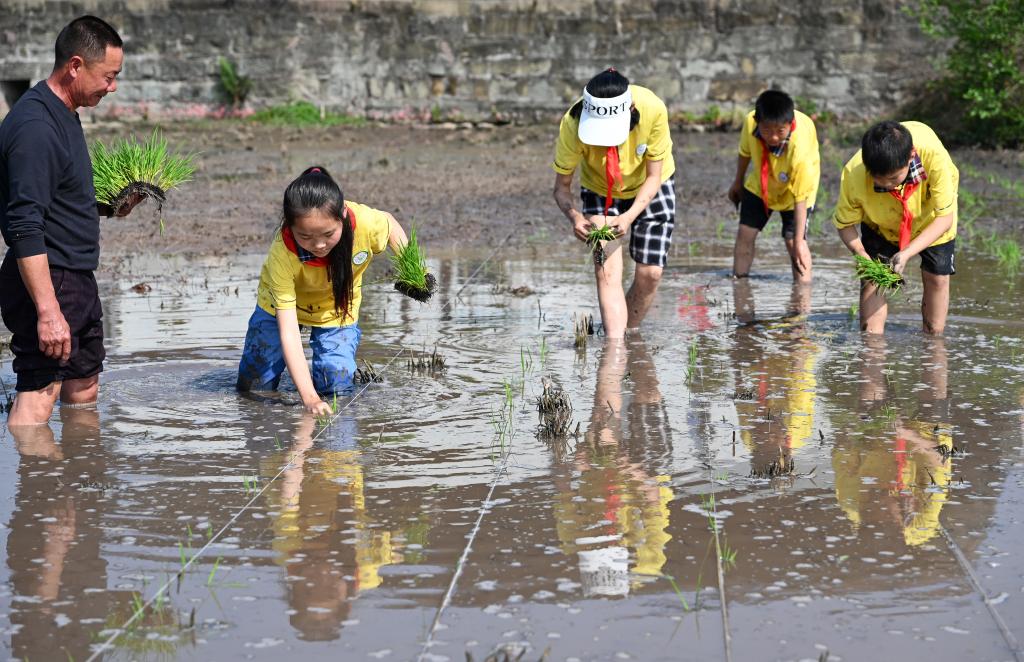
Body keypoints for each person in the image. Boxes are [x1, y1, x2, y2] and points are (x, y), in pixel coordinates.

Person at [0, 16, 141, 427]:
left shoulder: (63, 111)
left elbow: (55, 197)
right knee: (39, 396)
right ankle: (38, 485)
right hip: (49, 280)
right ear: (75, 65)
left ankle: (78, 478)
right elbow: (25, 224)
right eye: (109, 76)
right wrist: (47, 311)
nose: (112, 86)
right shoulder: (35, 126)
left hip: (75, 278)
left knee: (83, 386)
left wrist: (108, 207)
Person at [236, 166, 417, 415]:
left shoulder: (364, 223)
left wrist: (416, 272)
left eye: (328, 234)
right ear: (290, 226)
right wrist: (309, 399)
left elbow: (390, 224)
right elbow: (288, 332)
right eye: (306, 236)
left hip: (336, 306)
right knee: (256, 385)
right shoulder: (283, 253)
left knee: (336, 385)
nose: (319, 245)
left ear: (342, 215)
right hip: (277, 306)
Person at [552, 68, 676, 339]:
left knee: (651, 273)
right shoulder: (573, 124)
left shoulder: (653, 109)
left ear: (630, 110)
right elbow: (561, 188)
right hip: (600, 188)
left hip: (650, 183)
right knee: (607, 272)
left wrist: (629, 216)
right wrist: (575, 217)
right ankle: (615, 348)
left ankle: (628, 332)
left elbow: (655, 176)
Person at [833, 121, 958, 334]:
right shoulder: (854, 173)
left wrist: (907, 253)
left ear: (911, 157)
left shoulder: (934, 158)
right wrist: (863, 256)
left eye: (893, 178)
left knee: (937, 278)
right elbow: (844, 225)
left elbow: (944, 219)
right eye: (878, 179)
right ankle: (871, 349)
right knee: (873, 279)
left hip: (930, 221)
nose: (886, 184)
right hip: (880, 222)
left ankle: (933, 343)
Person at [728, 90, 820, 282]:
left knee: (793, 242)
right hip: (761, 185)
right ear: (757, 121)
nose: (774, 137)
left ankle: (802, 296)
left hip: (796, 191)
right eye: (767, 130)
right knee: (745, 233)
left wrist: (799, 240)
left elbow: (800, 197)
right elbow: (744, 152)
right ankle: (740, 284)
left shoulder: (799, 147)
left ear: (790, 124)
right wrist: (738, 181)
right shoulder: (749, 123)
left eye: (780, 131)